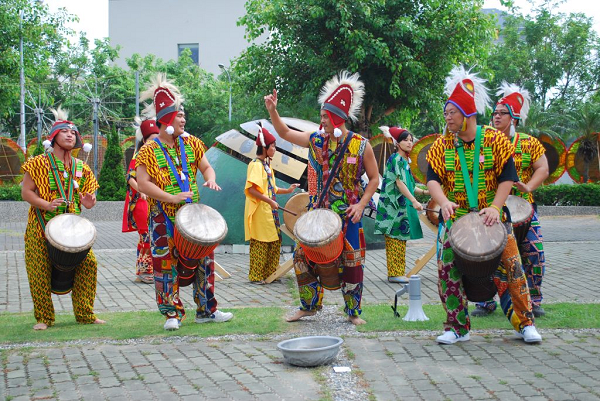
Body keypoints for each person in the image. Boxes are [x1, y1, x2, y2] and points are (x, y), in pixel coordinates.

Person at [426, 66, 542, 344]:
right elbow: (433, 179)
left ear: (467, 115)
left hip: (494, 217)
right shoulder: (443, 144)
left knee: (514, 269)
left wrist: (495, 206)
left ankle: (525, 324)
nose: (447, 117)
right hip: (457, 219)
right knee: (447, 271)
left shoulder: (494, 139)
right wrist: (442, 201)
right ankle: (457, 328)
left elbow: (508, 176)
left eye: (451, 112)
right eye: (446, 112)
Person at [264, 71, 379, 325]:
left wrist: (361, 204)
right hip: (317, 213)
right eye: (322, 117)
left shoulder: (361, 145)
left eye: (325, 117)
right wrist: (273, 111)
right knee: (300, 257)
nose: (322, 121)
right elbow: (284, 133)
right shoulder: (315, 140)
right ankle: (309, 306)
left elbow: (374, 179)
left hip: (349, 214)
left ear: (338, 118)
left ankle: (353, 312)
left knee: (353, 261)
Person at [136, 73, 233, 331]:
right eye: (179, 115)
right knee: (164, 264)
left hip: (192, 214)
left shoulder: (191, 143)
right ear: (166, 119)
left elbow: (206, 168)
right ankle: (172, 314)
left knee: (204, 259)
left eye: (183, 115)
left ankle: (206, 310)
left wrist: (210, 179)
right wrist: (170, 197)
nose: (183, 119)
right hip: (162, 215)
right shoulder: (149, 149)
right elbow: (143, 182)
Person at [21, 108, 105, 330]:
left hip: (72, 231)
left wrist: (89, 202)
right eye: (65, 131)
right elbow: (26, 192)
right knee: (39, 270)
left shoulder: (82, 167)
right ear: (54, 137)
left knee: (89, 264)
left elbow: (90, 200)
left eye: (73, 132)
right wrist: (46, 204)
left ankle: (85, 314)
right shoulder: (38, 163)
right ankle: (44, 318)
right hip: (41, 227)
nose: (70, 135)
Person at [472, 83, 549, 317]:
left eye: (501, 113)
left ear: (513, 117)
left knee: (534, 253)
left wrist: (529, 186)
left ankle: (533, 299)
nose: (496, 116)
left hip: (524, 209)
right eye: (494, 113)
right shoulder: (483, 140)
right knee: (486, 257)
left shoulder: (528, 142)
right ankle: (485, 301)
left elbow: (543, 168)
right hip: (491, 209)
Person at [244, 124, 299, 284]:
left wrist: (288, 191)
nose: (275, 149)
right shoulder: (255, 165)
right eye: (273, 146)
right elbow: (252, 189)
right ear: (264, 148)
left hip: (269, 210)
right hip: (260, 211)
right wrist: (270, 201)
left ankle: (270, 273)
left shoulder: (267, 166)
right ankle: (255, 277)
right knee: (261, 242)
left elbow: (272, 188)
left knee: (275, 240)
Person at [374, 126, 427, 283]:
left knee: (400, 240)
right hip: (393, 208)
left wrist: (425, 193)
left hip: (400, 208)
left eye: (411, 140)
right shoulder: (396, 159)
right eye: (406, 140)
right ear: (397, 143)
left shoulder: (404, 161)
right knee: (395, 240)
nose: (410, 143)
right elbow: (399, 183)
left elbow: (409, 185)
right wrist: (414, 201)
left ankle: (398, 272)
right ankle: (394, 274)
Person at [122, 118, 159, 284]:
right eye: (151, 139)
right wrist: (142, 190)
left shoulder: (160, 156)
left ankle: (154, 269)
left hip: (155, 201)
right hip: (141, 202)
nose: (155, 142)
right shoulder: (139, 156)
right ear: (144, 141)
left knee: (155, 235)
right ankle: (144, 271)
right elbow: (130, 177)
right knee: (145, 235)